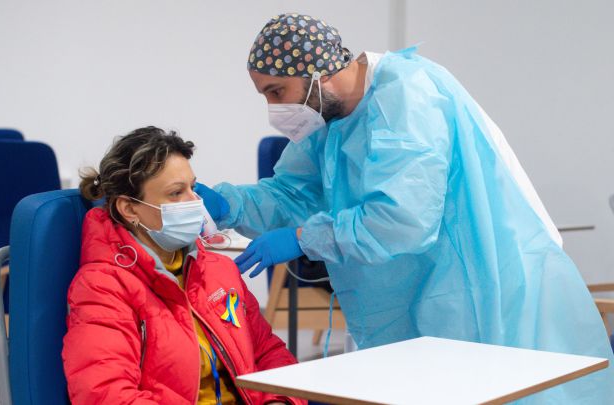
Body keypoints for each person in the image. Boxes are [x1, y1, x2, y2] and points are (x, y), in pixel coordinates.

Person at [194, 13, 614, 402]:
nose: (274, 109)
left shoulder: (407, 95)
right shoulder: (329, 120)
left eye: (276, 91)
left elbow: (402, 220)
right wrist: (230, 202)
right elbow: (292, 194)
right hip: (410, 294)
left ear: (315, 73)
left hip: (478, 284)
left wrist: (306, 238)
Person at [62, 127, 304, 405]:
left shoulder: (215, 269)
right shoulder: (103, 287)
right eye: (176, 193)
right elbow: (106, 395)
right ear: (129, 208)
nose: (195, 202)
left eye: (193, 187)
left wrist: (278, 401)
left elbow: (268, 353)